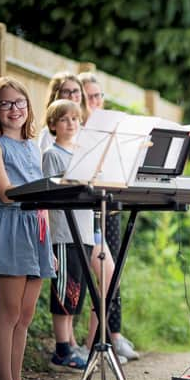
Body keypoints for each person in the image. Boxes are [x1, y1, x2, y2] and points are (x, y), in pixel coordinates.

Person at [0, 76, 56, 380]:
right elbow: (5, 193)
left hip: (38, 230)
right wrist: (43, 192)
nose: (14, 109)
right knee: (8, 313)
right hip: (11, 226)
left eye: (20, 102)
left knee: (26, 316)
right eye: (5, 103)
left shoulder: (33, 146)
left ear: (29, 107)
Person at [78, 71, 139, 361]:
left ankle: (114, 334)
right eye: (89, 96)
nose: (95, 101)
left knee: (115, 266)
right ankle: (99, 339)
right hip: (85, 209)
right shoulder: (77, 129)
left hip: (111, 203)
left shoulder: (109, 130)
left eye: (99, 95)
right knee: (101, 271)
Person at [42, 99, 93, 372]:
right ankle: (61, 350)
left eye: (75, 118)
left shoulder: (82, 156)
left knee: (76, 294)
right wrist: (48, 243)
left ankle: (69, 346)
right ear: (53, 125)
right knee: (64, 293)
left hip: (83, 233)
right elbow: (48, 199)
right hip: (63, 233)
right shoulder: (52, 154)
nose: (71, 123)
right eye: (64, 119)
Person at [37, 72, 88, 153]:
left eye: (76, 91)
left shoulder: (83, 131)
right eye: (66, 92)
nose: (72, 96)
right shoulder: (48, 133)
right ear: (56, 96)